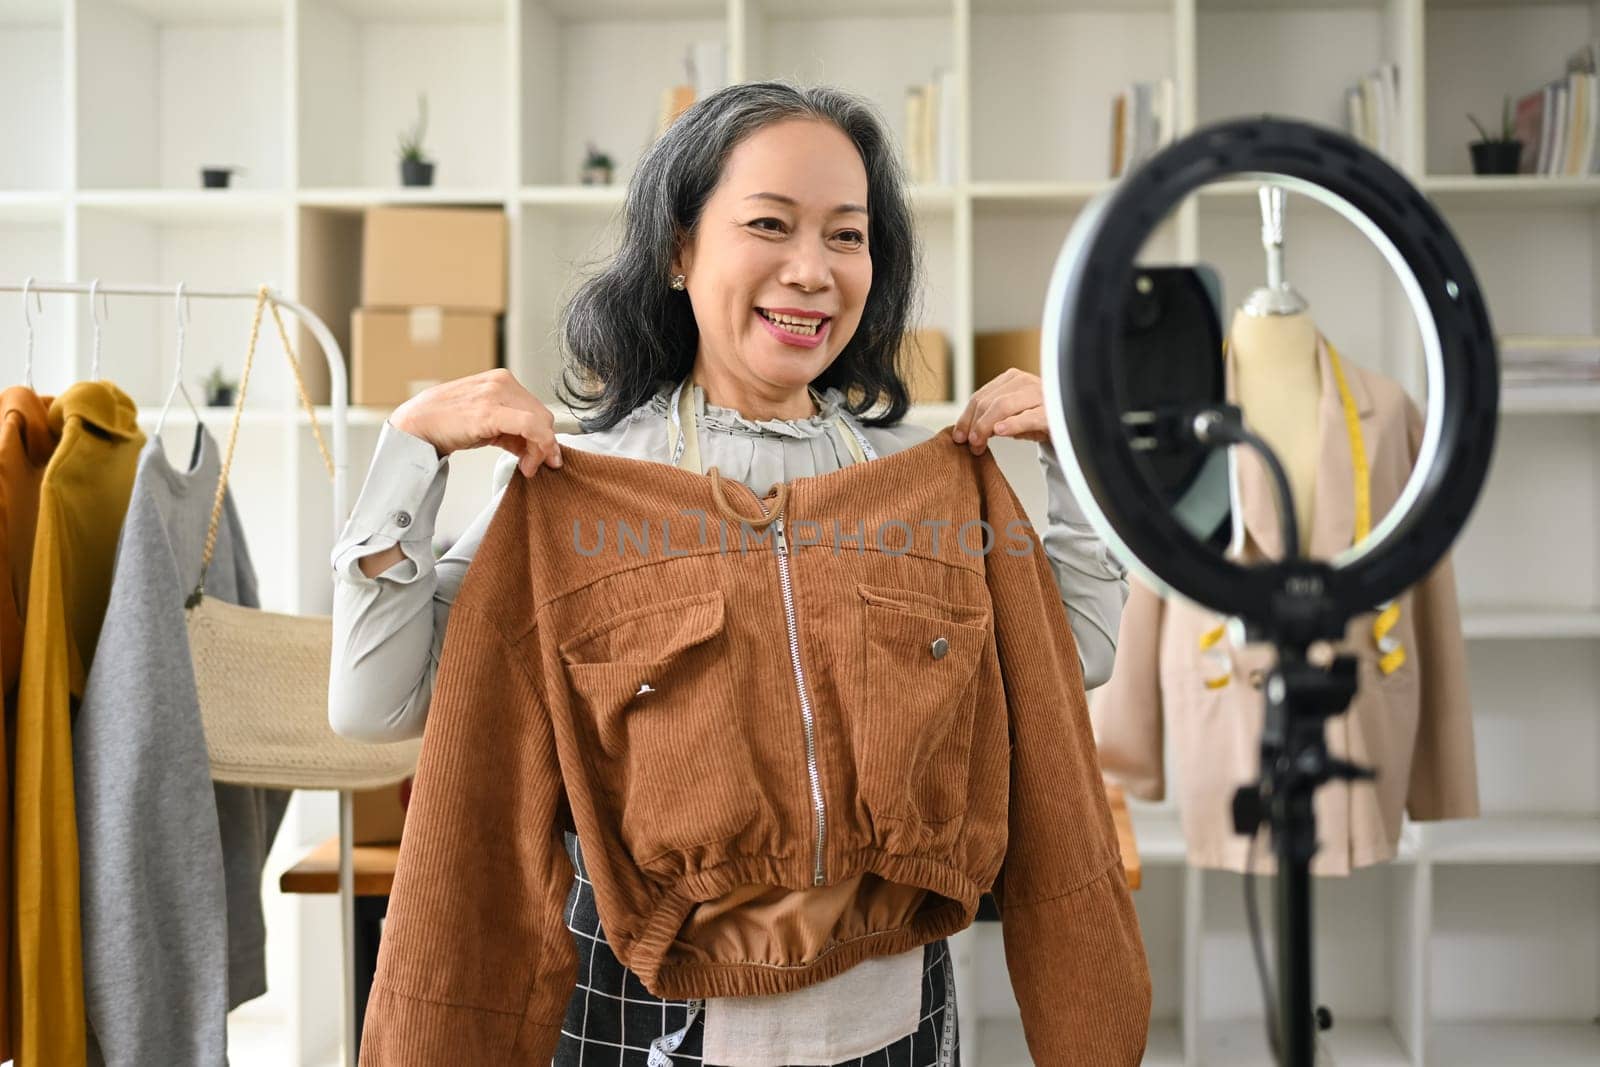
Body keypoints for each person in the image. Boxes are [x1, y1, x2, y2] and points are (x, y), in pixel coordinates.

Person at [330, 81, 1129, 1066]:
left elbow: (1077, 656)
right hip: (640, 1006)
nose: (813, 270)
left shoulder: (915, 486)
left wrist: (1073, 464)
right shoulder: (576, 492)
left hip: (896, 1013)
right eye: (769, 224)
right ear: (678, 249)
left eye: (847, 235)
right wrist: (409, 453)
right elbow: (374, 703)